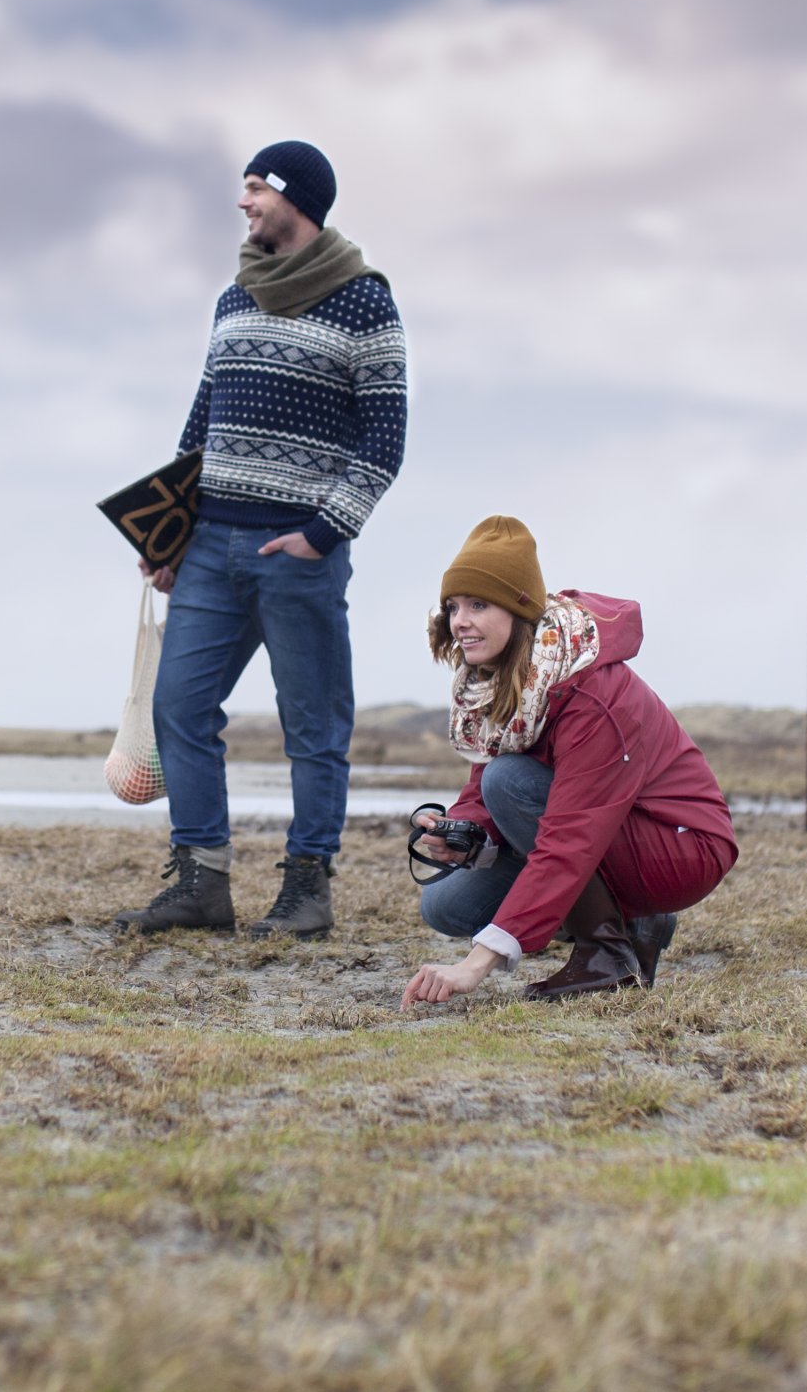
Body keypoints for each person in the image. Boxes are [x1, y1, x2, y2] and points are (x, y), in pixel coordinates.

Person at [118, 140, 407, 940]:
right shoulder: (233, 298)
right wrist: (166, 528)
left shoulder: (365, 304)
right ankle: (202, 882)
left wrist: (322, 533)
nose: (242, 205)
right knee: (179, 706)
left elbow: (384, 441)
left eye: (254, 190)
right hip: (209, 546)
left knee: (313, 727)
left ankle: (308, 888)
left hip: (297, 556)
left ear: (295, 198)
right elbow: (201, 421)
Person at [401, 516, 737, 1008]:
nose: (460, 621)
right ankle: (631, 919)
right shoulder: (510, 678)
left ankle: (606, 956)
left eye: (478, 604)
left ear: (519, 610)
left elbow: (569, 832)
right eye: (453, 607)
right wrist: (466, 832)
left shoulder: (590, 690)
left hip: (682, 848)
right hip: (608, 835)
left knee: (509, 781)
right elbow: (484, 788)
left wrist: (475, 965)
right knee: (447, 906)